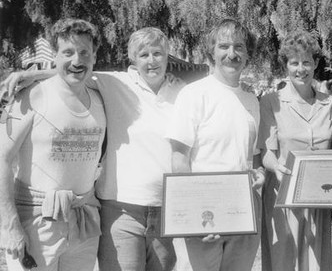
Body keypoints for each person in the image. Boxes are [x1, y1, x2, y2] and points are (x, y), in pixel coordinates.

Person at [0, 27, 186, 271]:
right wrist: (30, 75)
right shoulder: (117, 83)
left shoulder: (184, 92)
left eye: (158, 53)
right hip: (112, 212)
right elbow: (73, 71)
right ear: (133, 58)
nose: (151, 60)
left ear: (167, 56)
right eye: (144, 54)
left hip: (158, 210)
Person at [0, 18, 106, 271]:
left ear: (94, 56)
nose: (76, 60)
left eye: (84, 53)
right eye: (67, 52)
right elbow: (1, 158)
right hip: (36, 222)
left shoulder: (101, 97)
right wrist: (9, 225)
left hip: (83, 223)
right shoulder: (32, 95)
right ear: (55, 55)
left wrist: (35, 72)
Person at [167, 18, 265, 271]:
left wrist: (260, 174)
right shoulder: (194, 94)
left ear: (247, 54)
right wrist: (192, 218)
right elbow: (179, 158)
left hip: (243, 214)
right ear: (211, 52)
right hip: (204, 216)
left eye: (239, 47)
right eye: (224, 46)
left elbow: (252, 157)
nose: (231, 54)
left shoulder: (251, 100)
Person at [258, 31, 332, 271]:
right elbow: (266, 151)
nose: (300, 69)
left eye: (306, 62)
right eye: (294, 63)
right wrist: (276, 168)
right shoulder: (271, 101)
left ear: (315, 64)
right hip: (283, 193)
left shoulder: (330, 103)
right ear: (286, 66)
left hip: (320, 196)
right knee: (285, 260)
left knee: (316, 261)